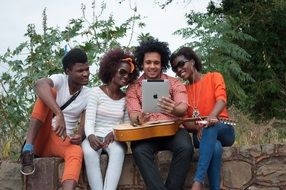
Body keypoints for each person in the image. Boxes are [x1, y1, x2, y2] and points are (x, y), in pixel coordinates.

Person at [126, 39, 194, 190]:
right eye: (148, 62)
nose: (152, 66)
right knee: (139, 150)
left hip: (173, 129)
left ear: (162, 64)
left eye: (156, 63)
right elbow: (133, 113)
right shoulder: (133, 87)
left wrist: (173, 109)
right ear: (142, 64)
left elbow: (183, 107)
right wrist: (139, 118)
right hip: (147, 132)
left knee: (186, 147)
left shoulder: (174, 83)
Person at [20, 48, 90, 190]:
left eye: (87, 69)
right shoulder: (60, 80)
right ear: (68, 71)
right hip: (41, 136)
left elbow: (84, 125)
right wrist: (59, 114)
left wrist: (79, 136)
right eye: (80, 71)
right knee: (47, 92)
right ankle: (27, 149)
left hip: (61, 139)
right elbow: (40, 84)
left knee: (76, 152)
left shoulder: (88, 94)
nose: (85, 74)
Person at [170, 47, 236, 190]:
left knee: (211, 128)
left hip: (223, 128)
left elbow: (222, 100)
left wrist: (210, 118)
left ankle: (198, 180)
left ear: (192, 61)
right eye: (175, 68)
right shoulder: (183, 91)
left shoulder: (214, 77)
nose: (179, 69)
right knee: (216, 147)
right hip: (201, 134)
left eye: (181, 64)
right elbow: (186, 122)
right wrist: (199, 126)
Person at [82, 48, 139, 190]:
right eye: (122, 72)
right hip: (94, 135)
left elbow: (125, 124)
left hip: (114, 138)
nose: (126, 76)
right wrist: (90, 136)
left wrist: (114, 133)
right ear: (112, 69)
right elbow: (89, 120)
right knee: (89, 153)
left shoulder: (126, 99)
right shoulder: (96, 92)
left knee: (119, 152)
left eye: (129, 75)